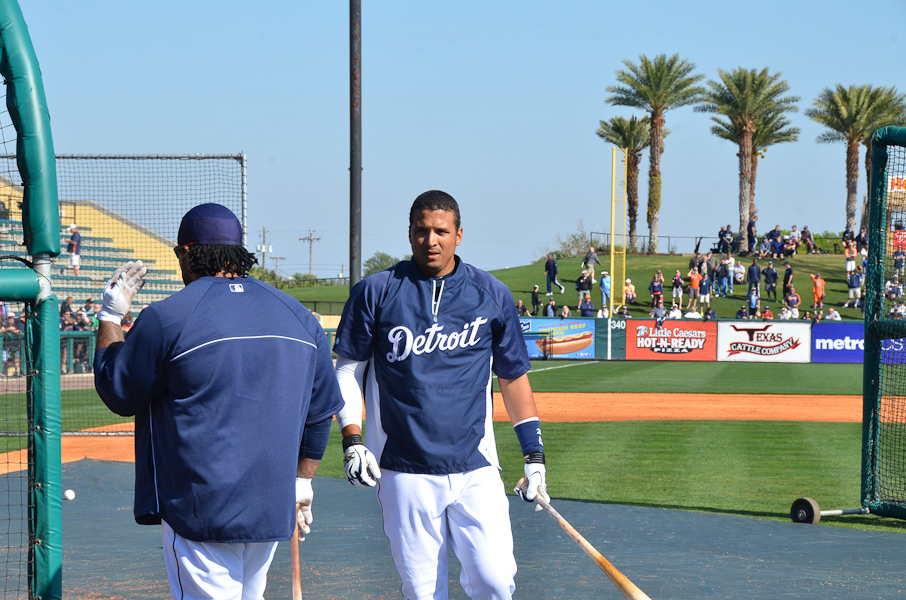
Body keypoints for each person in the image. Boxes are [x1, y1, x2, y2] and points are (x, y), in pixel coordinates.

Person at [94, 204, 344, 599]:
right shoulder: (299, 317)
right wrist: (302, 481)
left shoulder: (168, 316)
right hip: (270, 507)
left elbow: (119, 391)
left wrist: (110, 316)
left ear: (187, 252)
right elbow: (320, 413)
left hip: (199, 509)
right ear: (239, 253)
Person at [331, 191, 549, 600]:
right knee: (423, 593)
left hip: (476, 467)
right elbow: (347, 369)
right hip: (403, 468)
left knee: (496, 581)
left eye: (441, 231)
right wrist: (353, 440)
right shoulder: (377, 291)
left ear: (459, 235)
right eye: (421, 230)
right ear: (410, 233)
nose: (431, 240)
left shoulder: (491, 293)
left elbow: (513, 378)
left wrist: (534, 457)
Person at [1, 312, 24, 377]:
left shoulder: (18, 323)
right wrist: (8, 329)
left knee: (17, 357)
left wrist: (14, 331)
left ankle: (17, 371)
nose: (11, 319)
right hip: (5, 345)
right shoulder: (5, 324)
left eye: (12, 318)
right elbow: (1, 330)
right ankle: (0, 373)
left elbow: (20, 331)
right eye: (9, 318)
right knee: (3, 359)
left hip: (15, 345)